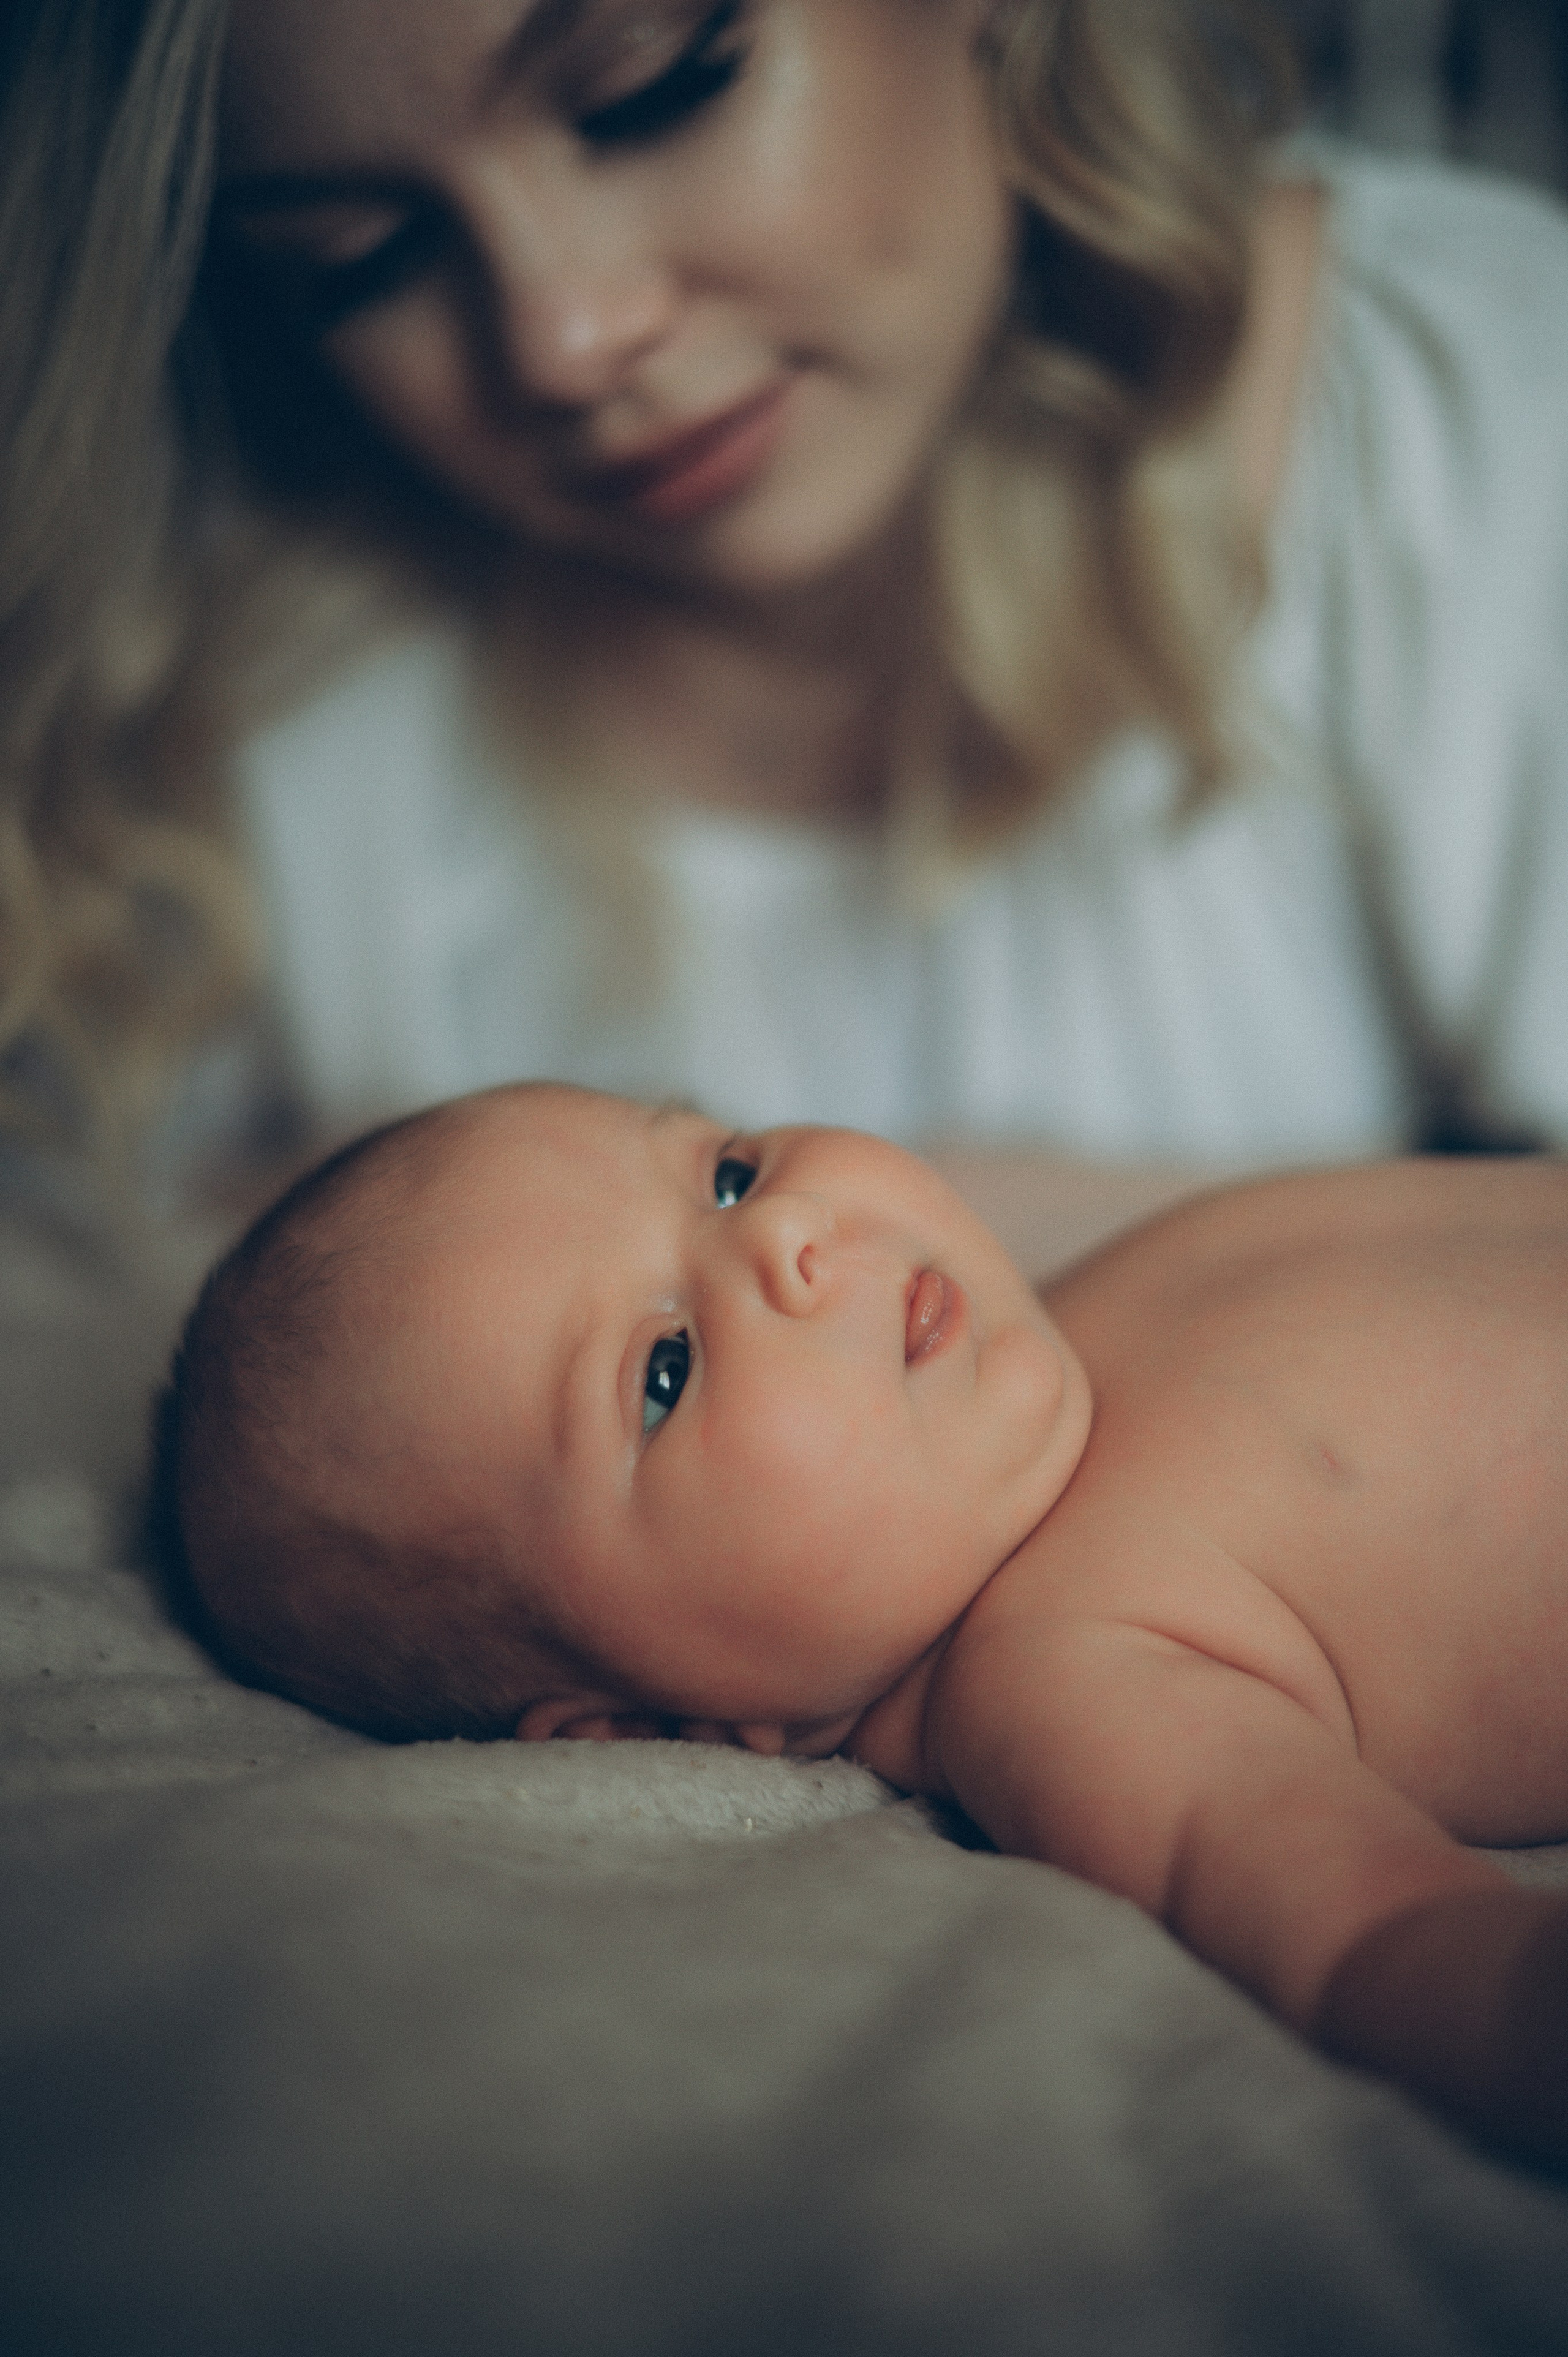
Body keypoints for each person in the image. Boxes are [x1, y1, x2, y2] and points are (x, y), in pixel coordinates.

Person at [4, 2, 1568, 1231]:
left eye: (647, 87)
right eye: (361, 255)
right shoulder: (235, 671)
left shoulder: (1466, 410)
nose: (563, 337)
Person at [156, 1079, 1568, 2166]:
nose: (780, 1230)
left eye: (720, 1171)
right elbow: (1364, 1937)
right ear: (652, 1726)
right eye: (662, 1370)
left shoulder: (1070, 1305)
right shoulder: (1062, 1666)